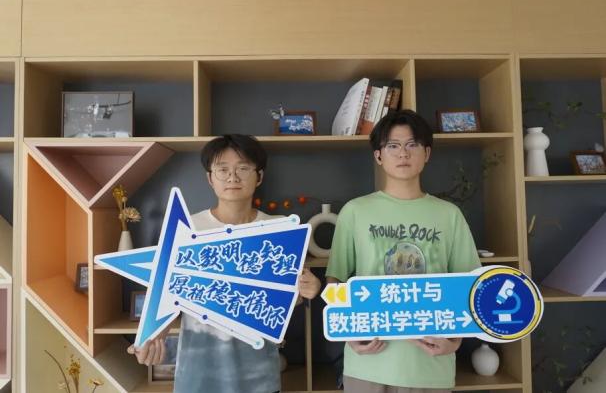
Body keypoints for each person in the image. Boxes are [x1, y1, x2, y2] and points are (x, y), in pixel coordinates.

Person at [127, 134, 321, 393]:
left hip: (259, 375)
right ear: (210, 178)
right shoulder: (187, 229)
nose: (233, 177)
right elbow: (168, 295)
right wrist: (152, 337)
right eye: (223, 169)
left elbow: (285, 299)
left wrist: (308, 289)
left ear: (259, 176)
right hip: (197, 373)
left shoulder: (280, 229)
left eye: (243, 168)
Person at [325, 110, 482, 393]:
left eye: (412, 144)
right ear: (378, 156)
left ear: (427, 153)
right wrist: (347, 332)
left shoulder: (449, 214)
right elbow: (335, 280)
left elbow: (470, 285)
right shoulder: (355, 211)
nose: (403, 153)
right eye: (393, 146)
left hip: (430, 364)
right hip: (368, 363)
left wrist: (456, 341)